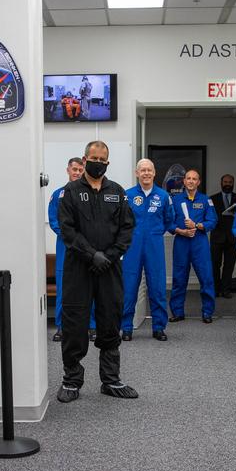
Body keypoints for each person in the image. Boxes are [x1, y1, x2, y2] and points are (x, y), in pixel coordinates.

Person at [56, 140, 136, 402]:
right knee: (75, 323)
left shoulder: (118, 191)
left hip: (110, 268)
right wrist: (93, 255)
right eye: (94, 158)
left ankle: (111, 380)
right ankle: (71, 380)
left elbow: (127, 228)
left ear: (108, 163)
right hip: (79, 267)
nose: (98, 163)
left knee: (110, 319)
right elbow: (67, 230)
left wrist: (109, 256)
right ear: (84, 158)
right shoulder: (70, 191)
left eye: (103, 160)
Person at [121, 158, 174, 341]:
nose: (145, 173)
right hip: (132, 247)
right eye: (142, 170)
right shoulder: (126, 196)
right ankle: (126, 327)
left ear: (154, 173)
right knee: (128, 288)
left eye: (149, 170)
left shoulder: (164, 196)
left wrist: (155, 233)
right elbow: (120, 222)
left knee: (157, 287)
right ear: (137, 173)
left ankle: (159, 327)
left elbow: (169, 220)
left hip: (154, 246)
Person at [48, 157, 94, 342]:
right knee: (64, 289)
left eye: (80, 170)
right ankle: (62, 326)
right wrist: (72, 238)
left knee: (90, 288)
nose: (76, 172)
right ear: (68, 170)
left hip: (87, 249)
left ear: (84, 171)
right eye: (74, 169)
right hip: (66, 248)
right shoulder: (58, 195)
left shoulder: (91, 193)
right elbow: (54, 221)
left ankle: (92, 326)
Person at [168, 169, 217, 323]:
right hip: (182, 242)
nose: (190, 181)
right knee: (179, 278)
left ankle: (207, 312)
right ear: (184, 181)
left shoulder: (205, 200)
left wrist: (198, 225)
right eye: (188, 178)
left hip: (199, 242)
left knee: (206, 278)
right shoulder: (175, 200)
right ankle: (177, 312)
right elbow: (169, 222)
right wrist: (182, 231)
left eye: (194, 179)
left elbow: (212, 221)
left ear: (198, 182)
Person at [209, 173, 236, 298]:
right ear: (221, 183)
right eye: (225, 182)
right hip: (217, 236)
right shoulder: (212, 199)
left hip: (232, 237)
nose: (228, 184)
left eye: (230, 182)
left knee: (229, 266)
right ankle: (215, 290)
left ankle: (226, 290)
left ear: (233, 183)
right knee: (215, 265)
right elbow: (209, 217)